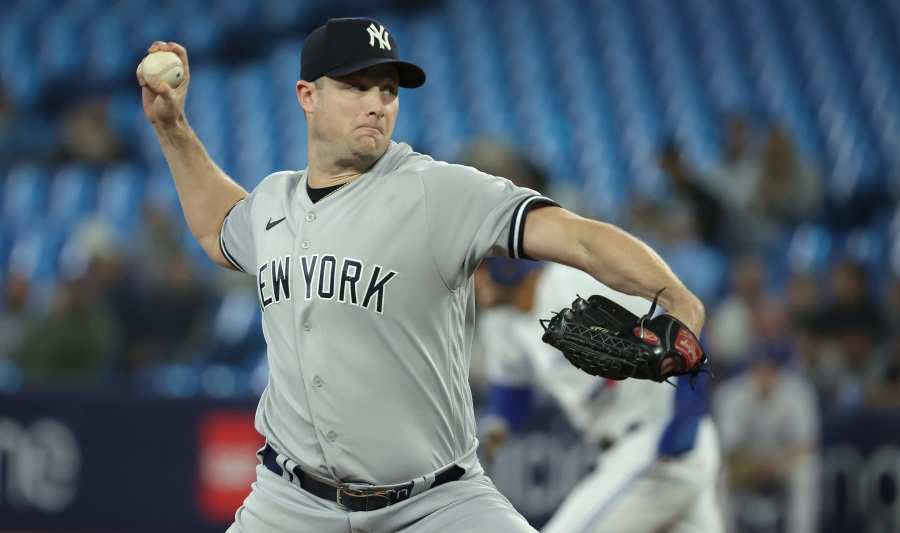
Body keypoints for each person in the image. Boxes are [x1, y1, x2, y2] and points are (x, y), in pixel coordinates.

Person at [138, 17, 706, 533]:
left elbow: (575, 235)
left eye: (388, 89)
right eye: (357, 86)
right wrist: (172, 127)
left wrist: (672, 293)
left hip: (435, 505)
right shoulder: (273, 203)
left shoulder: (439, 192)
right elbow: (218, 229)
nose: (378, 103)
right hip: (291, 505)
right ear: (307, 95)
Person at [475, 258, 723, 533]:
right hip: (626, 449)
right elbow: (512, 390)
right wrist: (496, 428)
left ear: (506, 266)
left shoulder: (574, 284)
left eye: (479, 270)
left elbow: (683, 323)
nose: (473, 282)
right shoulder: (499, 323)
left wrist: (686, 417)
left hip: (659, 440)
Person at [714, 340, 820, 533]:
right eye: (759, 366)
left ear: (780, 368)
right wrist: (756, 466)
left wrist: (775, 464)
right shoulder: (730, 394)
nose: (765, 373)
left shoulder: (798, 392)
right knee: (719, 474)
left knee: (807, 471)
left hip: (783, 462)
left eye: (771, 367)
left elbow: (807, 444)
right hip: (744, 464)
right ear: (750, 367)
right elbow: (727, 449)